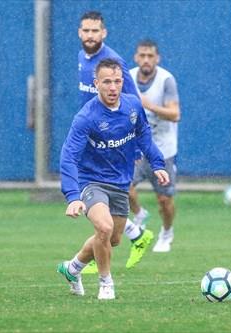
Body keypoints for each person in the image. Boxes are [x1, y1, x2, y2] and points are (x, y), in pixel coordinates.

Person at [57, 59, 169, 300]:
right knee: (104, 227)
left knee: (113, 238)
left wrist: (158, 164)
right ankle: (106, 283)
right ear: (96, 83)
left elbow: (145, 137)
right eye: (106, 82)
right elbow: (68, 157)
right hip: (92, 182)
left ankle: (72, 268)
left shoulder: (132, 106)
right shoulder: (86, 117)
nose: (112, 87)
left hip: (120, 183)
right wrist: (73, 196)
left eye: (117, 81)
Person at [77, 10, 154, 272]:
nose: (90, 35)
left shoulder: (113, 62)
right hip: (93, 135)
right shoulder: (83, 57)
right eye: (86, 30)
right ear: (79, 32)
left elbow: (131, 103)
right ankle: (134, 234)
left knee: (106, 213)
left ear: (104, 33)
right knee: (104, 219)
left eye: (94, 31)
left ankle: (92, 262)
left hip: (115, 138)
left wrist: (130, 143)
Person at [128, 39, 181, 252]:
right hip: (136, 148)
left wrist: (148, 105)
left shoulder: (166, 80)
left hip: (162, 150)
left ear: (157, 58)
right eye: (142, 55)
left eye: (150, 56)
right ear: (136, 57)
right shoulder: (128, 78)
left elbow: (175, 114)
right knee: (123, 188)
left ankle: (167, 232)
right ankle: (140, 214)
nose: (146, 60)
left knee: (164, 200)